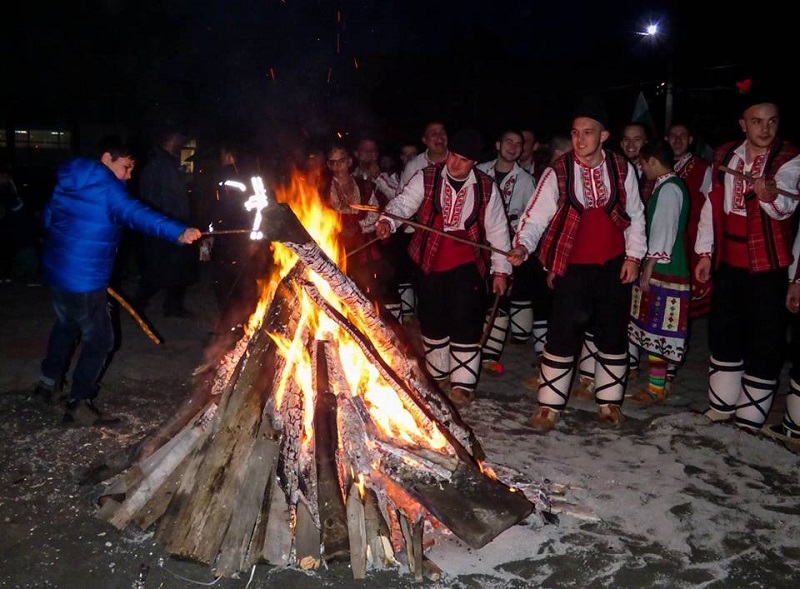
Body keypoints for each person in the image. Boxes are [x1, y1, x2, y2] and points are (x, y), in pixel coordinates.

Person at [32, 136, 202, 425]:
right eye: (126, 167)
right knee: (100, 339)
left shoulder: (69, 178)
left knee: (66, 325)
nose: (129, 175)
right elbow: (137, 214)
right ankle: (79, 404)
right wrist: (179, 232)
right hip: (85, 279)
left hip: (57, 272)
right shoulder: (109, 188)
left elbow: (48, 219)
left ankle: (46, 385)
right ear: (107, 158)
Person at [508, 98, 647, 432]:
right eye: (575, 133)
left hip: (614, 265)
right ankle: (549, 407)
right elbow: (535, 215)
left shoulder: (622, 169)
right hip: (574, 267)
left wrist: (633, 257)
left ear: (604, 136)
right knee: (562, 333)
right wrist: (523, 246)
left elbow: (637, 216)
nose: (580, 139)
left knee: (613, 332)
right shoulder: (558, 171)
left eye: (588, 132)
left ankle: (610, 405)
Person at [376, 128, 512, 408]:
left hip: (467, 264)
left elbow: (498, 231)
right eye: (453, 155)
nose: (455, 163)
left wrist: (501, 271)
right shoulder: (427, 177)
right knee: (432, 319)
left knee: (466, 320)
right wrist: (388, 222)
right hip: (429, 260)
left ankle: (462, 384)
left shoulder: (486, 187)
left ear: (474, 162)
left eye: (463, 159)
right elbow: (404, 203)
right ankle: (439, 375)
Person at [694, 93, 800, 432]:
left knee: (765, 340)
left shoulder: (790, 158)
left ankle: (749, 419)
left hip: (769, 268)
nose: (765, 128)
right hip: (730, 263)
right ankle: (721, 408)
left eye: (772, 121)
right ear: (743, 124)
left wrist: (769, 194)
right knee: (724, 331)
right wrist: (705, 253)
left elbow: (785, 204)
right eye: (757, 121)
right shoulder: (725, 155)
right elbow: (713, 205)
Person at [627, 140, 691, 404]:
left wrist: (648, 269)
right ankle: (659, 385)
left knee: (659, 332)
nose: (642, 168)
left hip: (666, 269)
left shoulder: (669, 189)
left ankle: (656, 389)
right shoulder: (666, 186)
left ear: (652, 160)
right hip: (665, 266)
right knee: (656, 330)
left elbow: (664, 231)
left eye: (643, 163)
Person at [476, 129, 536, 375]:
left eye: (518, 144)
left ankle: (490, 355)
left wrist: (520, 245)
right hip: (478, 245)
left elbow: (531, 218)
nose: (513, 147)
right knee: (476, 296)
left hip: (507, 246)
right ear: (498, 143)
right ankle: (471, 346)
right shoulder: (479, 170)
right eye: (508, 141)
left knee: (500, 297)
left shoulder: (526, 181)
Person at [206, 141, 269, 346]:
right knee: (222, 282)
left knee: (243, 283)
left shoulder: (252, 177)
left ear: (229, 154)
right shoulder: (221, 177)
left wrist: (254, 239)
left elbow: (260, 209)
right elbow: (215, 209)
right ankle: (228, 326)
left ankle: (246, 327)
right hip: (225, 239)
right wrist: (211, 235)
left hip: (244, 239)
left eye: (223, 154)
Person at [133, 125, 199, 318]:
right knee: (159, 267)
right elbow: (155, 197)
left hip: (173, 223)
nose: (183, 143)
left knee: (179, 268)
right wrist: (170, 223)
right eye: (180, 139)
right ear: (172, 139)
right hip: (165, 225)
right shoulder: (158, 164)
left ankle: (172, 306)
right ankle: (139, 302)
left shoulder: (167, 162)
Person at [321, 142, 390, 311]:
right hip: (336, 247)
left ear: (350, 161)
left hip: (363, 247)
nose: (337, 166)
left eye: (341, 161)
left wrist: (358, 227)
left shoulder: (365, 186)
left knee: (368, 290)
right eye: (332, 162)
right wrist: (338, 228)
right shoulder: (321, 190)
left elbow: (375, 213)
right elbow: (319, 218)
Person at [668, 122, 712, 321]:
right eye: (673, 136)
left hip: (692, 236)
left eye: (682, 136)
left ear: (690, 140)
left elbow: (711, 205)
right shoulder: (660, 165)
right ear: (667, 140)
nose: (677, 140)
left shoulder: (702, 168)